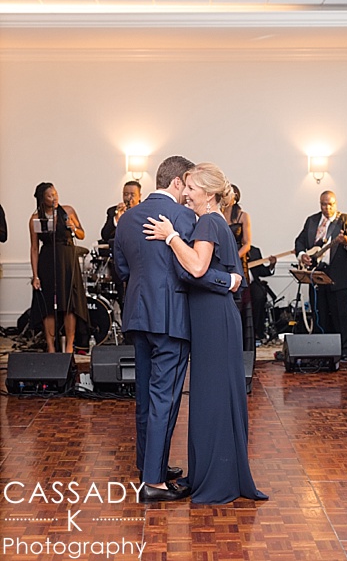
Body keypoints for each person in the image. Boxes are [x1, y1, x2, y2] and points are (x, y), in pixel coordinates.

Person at [142, 162, 268, 505]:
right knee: (213, 397)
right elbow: (227, 274)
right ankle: (213, 474)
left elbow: (197, 267)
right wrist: (227, 281)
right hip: (213, 317)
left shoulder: (209, 222)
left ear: (208, 194)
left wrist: (170, 237)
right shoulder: (214, 221)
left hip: (213, 320)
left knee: (212, 398)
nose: (185, 193)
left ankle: (216, 479)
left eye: (191, 188)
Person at [114, 155, 236, 503]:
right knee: (164, 398)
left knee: (144, 396)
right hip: (171, 319)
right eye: (189, 185)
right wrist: (229, 280)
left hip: (138, 315)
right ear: (178, 181)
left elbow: (121, 269)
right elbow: (192, 270)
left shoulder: (126, 218)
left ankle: (149, 465)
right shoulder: (185, 217)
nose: (189, 193)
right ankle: (153, 481)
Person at [294, 190, 347, 360]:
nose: (327, 208)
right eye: (323, 204)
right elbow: (299, 241)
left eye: (330, 204)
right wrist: (302, 255)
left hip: (338, 274)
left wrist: (346, 242)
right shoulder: (312, 220)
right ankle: (321, 348)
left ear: (335, 203)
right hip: (316, 274)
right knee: (319, 313)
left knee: (341, 314)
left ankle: (345, 349)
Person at [28, 182, 89, 353]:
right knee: (48, 306)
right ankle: (51, 347)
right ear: (42, 199)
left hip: (67, 261)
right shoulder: (35, 219)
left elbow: (81, 235)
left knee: (70, 304)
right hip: (47, 262)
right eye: (50, 196)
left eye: (55, 194)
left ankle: (69, 346)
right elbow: (34, 248)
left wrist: (74, 227)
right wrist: (35, 275)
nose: (54, 198)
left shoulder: (68, 211)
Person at [222, 184, 255, 352]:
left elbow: (247, 244)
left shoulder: (243, 216)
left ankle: (244, 348)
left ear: (235, 197)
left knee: (241, 302)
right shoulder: (218, 214)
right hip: (222, 261)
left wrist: (234, 258)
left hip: (239, 261)